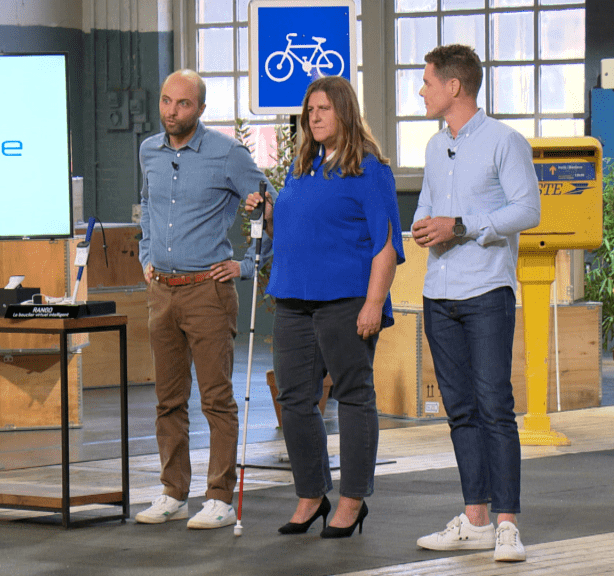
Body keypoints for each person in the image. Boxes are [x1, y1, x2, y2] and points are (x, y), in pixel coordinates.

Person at [245, 75, 403, 538]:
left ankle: (352, 501)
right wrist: (270, 216)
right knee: (294, 399)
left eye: (323, 110)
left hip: (346, 301)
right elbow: (295, 235)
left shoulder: (369, 169)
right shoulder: (301, 168)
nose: (313, 118)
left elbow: (386, 245)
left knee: (352, 396)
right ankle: (311, 495)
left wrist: (374, 303)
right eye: (309, 111)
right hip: (294, 299)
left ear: (345, 114)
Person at [410, 44, 540, 562]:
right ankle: (477, 518)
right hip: (438, 295)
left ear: (454, 87)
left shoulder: (505, 142)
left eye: (427, 82)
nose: (421, 90)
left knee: (495, 409)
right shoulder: (433, 146)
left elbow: (527, 209)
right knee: (459, 411)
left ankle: (508, 524)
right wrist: (425, 224)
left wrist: (462, 227)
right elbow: (427, 203)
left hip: (486, 292)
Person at [135, 69, 276, 529]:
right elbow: (148, 209)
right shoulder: (149, 152)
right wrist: (145, 255)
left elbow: (271, 209)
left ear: (199, 108)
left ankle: (219, 496)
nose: (171, 111)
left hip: (208, 292)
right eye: (165, 101)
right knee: (167, 399)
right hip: (163, 292)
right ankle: (173, 491)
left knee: (216, 399)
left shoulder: (227, 154)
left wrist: (248, 265)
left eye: (182, 104)